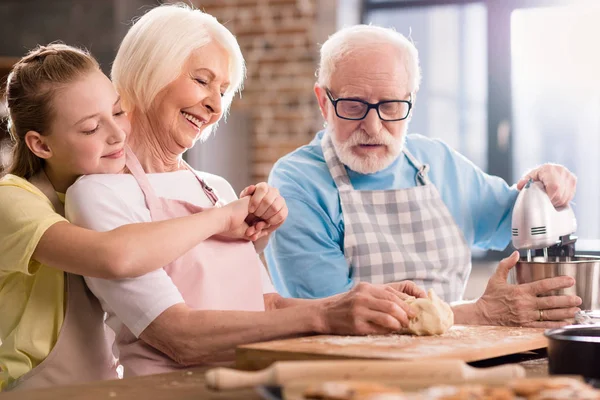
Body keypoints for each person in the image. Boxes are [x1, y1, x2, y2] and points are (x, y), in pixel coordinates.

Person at [65, 4, 426, 378]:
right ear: (149, 70)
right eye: (202, 81)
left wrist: (369, 304)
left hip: (252, 382)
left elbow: (266, 309)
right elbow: (179, 337)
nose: (215, 105)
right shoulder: (100, 194)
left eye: (222, 90)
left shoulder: (215, 188)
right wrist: (327, 313)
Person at [0, 43, 277, 391]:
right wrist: (221, 218)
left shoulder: (115, 193)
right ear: (41, 145)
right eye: (90, 129)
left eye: (117, 113)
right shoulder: (12, 201)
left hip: (101, 388)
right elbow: (115, 256)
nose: (117, 135)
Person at [264, 24, 581, 328]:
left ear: (411, 103)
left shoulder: (438, 163)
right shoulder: (298, 182)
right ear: (324, 103)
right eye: (353, 105)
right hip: (353, 371)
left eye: (390, 106)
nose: (373, 127)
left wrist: (543, 186)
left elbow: (520, 221)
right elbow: (338, 315)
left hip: (455, 360)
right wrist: (481, 314)